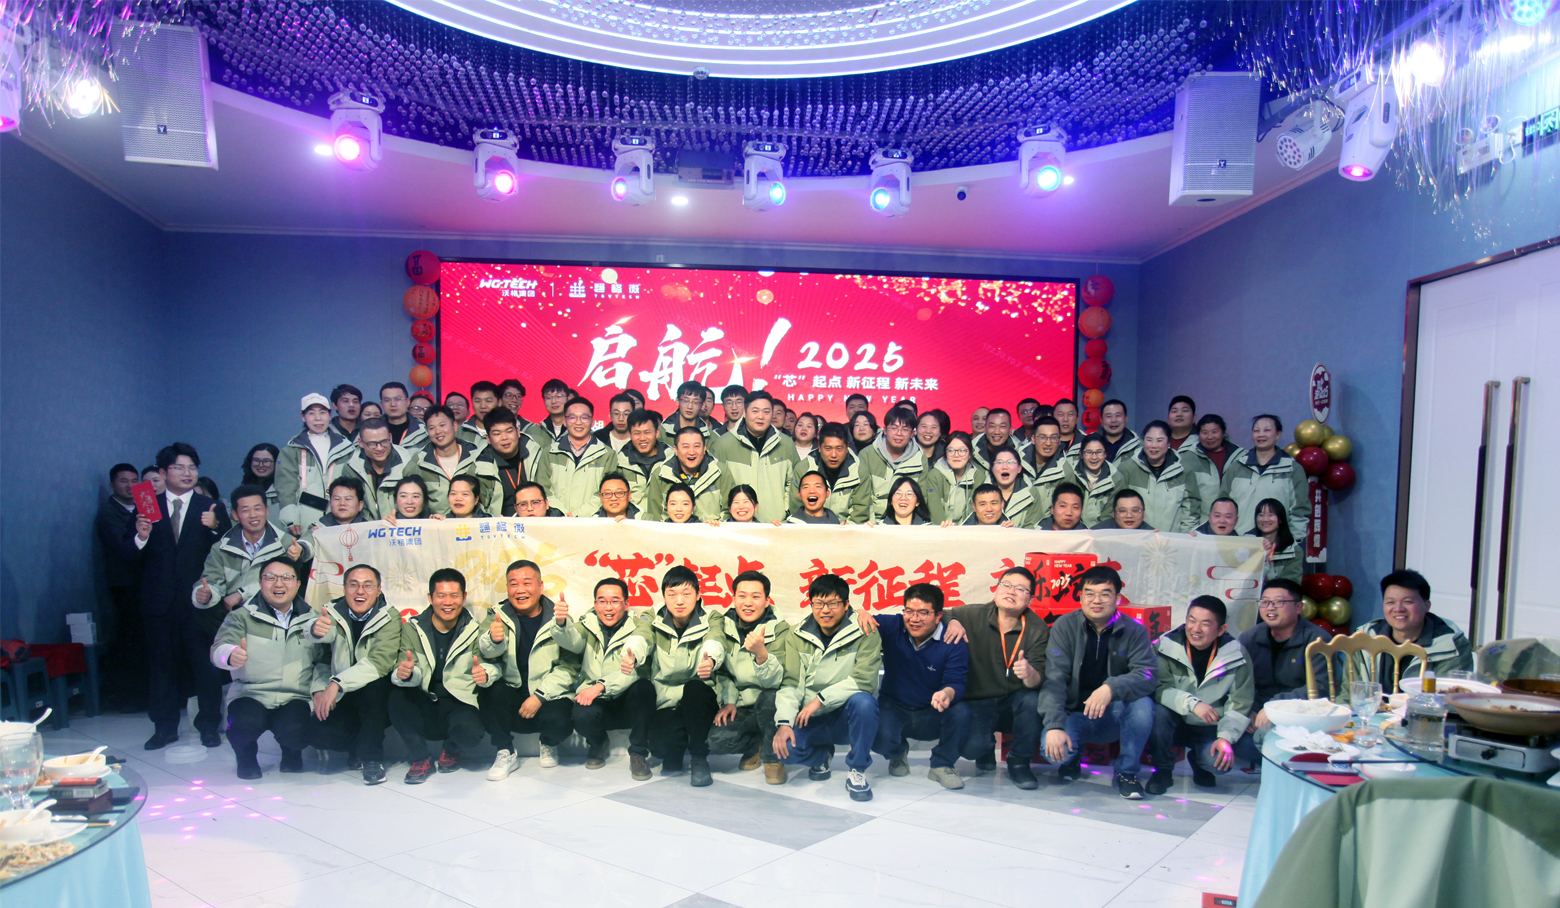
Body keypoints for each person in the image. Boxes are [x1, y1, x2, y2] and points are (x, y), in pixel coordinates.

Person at [123, 443, 230, 750]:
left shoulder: (210, 507)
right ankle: (164, 728)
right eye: (179, 468)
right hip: (158, 600)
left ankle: (209, 726)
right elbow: (127, 553)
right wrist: (141, 537)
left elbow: (228, 547)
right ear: (163, 472)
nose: (187, 473)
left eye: (192, 468)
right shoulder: (146, 504)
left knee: (205, 667)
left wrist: (215, 527)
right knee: (161, 667)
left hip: (199, 600)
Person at [1040, 566, 1158, 799]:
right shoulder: (1065, 626)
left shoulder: (1135, 630)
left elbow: (1148, 674)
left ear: (1118, 598)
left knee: (1142, 705)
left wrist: (1110, 688)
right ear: (1080, 596)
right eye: (1090, 593)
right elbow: (1054, 678)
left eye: (1105, 594)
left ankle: (1126, 773)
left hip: (1112, 715)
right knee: (1053, 754)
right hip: (1074, 713)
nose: (1096, 600)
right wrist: (1054, 725)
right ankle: (1073, 756)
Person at [773, 573, 883, 802]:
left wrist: (820, 699)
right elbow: (791, 682)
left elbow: (864, 680)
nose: (825, 610)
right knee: (784, 750)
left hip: (845, 716)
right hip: (810, 717)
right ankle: (822, 755)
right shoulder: (796, 634)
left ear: (846, 605)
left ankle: (857, 769)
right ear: (811, 604)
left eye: (833, 603)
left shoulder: (865, 630)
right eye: (818, 603)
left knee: (865, 702)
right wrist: (784, 722)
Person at [209, 556, 319, 779]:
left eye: (286, 577)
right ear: (260, 583)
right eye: (270, 577)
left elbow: (323, 661)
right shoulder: (240, 616)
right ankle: (246, 758)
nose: (279, 584)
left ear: (298, 584)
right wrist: (230, 654)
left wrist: (320, 690)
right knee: (241, 724)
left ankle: (291, 753)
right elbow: (218, 649)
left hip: (295, 695)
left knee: (298, 729)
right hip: (250, 693)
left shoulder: (313, 621)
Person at [938, 567, 1048, 788]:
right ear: (996, 589)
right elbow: (942, 612)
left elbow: (1039, 678)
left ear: (1030, 599)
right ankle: (985, 748)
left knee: (1033, 700)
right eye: (1006, 585)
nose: (1011, 591)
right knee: (971, 749)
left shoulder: (1038, 628)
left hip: (1015, 699)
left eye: (1020, 589)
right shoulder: (971, 615)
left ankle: (1019, 761)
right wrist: (953, 622)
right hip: (978, 699)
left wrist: (1029, 673)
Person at [389, 568, 500, 784]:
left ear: (464, 597)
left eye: (454, 595)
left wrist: (485, 674)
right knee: (396, 696)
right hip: (423, 698)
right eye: (441, 595)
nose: (447, 602)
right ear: (430, 598)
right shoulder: (411, 629)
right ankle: (420, 758)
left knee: (472, 731)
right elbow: (402, 666)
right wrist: (406, 674)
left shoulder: (474, 630)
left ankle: (451, 751)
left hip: (458, 701)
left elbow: (491, 665)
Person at [476, 561, 578, 780]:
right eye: (513, 584)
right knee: (489, 692)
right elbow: (485, 656)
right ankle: (505, 751)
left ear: (540, 586)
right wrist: (494, 641)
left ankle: (549, 743)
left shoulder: (559, 619)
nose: (520, 590)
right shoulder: (496, 616)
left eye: (527, 583)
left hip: (547, 695)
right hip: (511, 693)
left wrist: (539, 696)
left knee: (562, 719)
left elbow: (569, 667)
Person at [1145, 596, 1254, 794]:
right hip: (1174, 719)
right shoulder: (1165, 646)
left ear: (1221, 630)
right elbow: (1158, 688)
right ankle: (1162, 771)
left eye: (1205, 624)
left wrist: (1225, 738)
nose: (1195, 629)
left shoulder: (1236, 655)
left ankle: (1199, 761)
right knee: (1156, 712)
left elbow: (1240, 702)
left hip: (1209, 725)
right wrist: (1192, 704)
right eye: (1192, 620)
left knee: (1219, 763)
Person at [630, 565, 727, 786]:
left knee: (695, 688)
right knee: (662, 748)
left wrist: (711, 659)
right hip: (665, 699)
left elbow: (715, 638)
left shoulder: (711, 617)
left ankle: (699, 758)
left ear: (698, 595)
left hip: (698, 699)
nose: (679, 601)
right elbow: (642, 635)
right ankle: (673, 749)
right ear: (664, 596)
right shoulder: (652, 616)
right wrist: (633, 654)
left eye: (686, 593)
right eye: (672, 594)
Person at [307, 563, 401, 785]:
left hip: (374, 695)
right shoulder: (330, 613)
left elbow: (379, 663)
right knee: (315, 733)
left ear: (378, 590)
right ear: (344, 588)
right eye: (354, 585)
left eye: (368, 586)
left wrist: (337, 684)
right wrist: (319, 690)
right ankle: (356, 748)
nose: (360, 591)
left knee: (375, 687)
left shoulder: (389, 616)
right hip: (341, 694)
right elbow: (322, 659)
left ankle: (371, 758)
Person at [870, 584, 970, 789]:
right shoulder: (893, 625)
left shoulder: (952, 639)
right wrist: (861, 613)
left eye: (923, 613)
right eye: (909, 611)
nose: (914, 619)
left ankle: (942, 764)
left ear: (938, 615)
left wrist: (946, 693)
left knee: (962, 712)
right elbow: (856, 619)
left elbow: (956, 681)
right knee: (874, 731)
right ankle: (897, 752)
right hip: (894, 706)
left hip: (932, 709)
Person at [556, 578, 655, 779]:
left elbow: (639, 666)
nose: (608, 608)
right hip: (598, 701)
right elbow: (571, 641)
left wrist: (601, 685)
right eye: (602, 601)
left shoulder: (639, 626)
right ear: (595, 604)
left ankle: (638, 753)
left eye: (615, 601)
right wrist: (560, 624)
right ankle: (598, 743)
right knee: (581, 713)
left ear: (626, 604)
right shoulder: (585, 625)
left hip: (627, 702)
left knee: (644, 688)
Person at [1235, 579, 1332, 768]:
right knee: (1237, 742)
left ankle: (1288, 769)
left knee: (1271, 740)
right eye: (1265, 602)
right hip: (1259, 713)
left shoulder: (1317, 640)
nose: (1270, 608)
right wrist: (1249, 710)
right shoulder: (1249, 638)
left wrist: (1274, 708)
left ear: (1298, 607)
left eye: (1278, 602)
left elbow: (1320, 688)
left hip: (1300, 715)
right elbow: (1238, 683)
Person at [708, 571, 792, 782]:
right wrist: (729, 701)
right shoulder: (723, 627)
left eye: (755, 597)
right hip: (742, 704)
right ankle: (756, 743)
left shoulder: (782, 631)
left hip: (772, 704)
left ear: (767, 601)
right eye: (742, 596)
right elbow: (724, 673)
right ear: (733, 599)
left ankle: (772, 758)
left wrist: (761, 655)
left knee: (770, 697)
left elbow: (779, 681)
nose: (748, 603)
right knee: (716, 742)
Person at [195, 484, 308, 614]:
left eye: (257, 509)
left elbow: (284, 584)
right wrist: (207, 594)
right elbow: (210, 581)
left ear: (266, 510)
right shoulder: (221, 548)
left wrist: (241, 594)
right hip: (233, 612)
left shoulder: (286, 544)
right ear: (235, 515)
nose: (253, 515)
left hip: (273, 610)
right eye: (245, 510)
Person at [1353, 569, 1474, 688]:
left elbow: (1448, 696)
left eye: (1408, 602)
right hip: (1372, 702)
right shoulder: (1365, 638)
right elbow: (1348, 692)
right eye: (1390, 602)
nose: (1398, 609)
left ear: (1427, 606)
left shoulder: (1451, 644)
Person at [98, 463, 147, 712]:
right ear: (112, 485)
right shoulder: (108, 512)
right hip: (125, 583)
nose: (130, 486)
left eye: (134, 481)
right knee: (129, 637)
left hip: (147, 581)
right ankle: (128, 698)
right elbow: (123, 548)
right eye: (123, 481)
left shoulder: (145, 505)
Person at [713, 389, 799, 523]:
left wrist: (786, 512)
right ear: (744, 412)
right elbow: (716, 487)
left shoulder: (786, 443)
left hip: (776, 524)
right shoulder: (723, 444)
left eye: (766, 412)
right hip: (736, 525)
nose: (761, 416)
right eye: (755, 411)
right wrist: (725, 519)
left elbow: (794, 483)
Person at [275, 393, 354, 536]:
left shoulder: (346, 448)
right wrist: (290, 519)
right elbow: (285, 488)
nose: (318, 418)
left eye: (322, 412)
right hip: (304, 518)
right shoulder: (291, 451)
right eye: (311, 413)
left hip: (341, 517)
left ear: (330, 415)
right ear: (303, 417)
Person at [1221, 414, 1308, 542]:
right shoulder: (1237, 467)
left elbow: (1300, 510)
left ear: (1278, 434)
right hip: (1239, 541)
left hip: (1277, 543)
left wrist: (1292, 542)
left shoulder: (1292, 469)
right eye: (1256, 431)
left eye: (1267, 430)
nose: (1261, 434)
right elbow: (1222, 505)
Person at [406, 405, 503, 516]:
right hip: (438, 525)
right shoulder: (419, 462)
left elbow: (494, 494)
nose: (438, 431)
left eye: (442, 425)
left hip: (476, 524)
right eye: (431, 428)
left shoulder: (478, 456)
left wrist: (493, 521)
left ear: (455, 426)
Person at [858, 405, 945, 522]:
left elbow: (921, 496)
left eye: (905, 429)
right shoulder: (867, 455)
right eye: (894, 428)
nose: (899, 433)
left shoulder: (920, 458)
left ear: (912, 433)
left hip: (907, 522)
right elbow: (863, 497)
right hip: (874, 522)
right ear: (885, 430)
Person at [1114, 421, 1202, 532]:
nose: (1153, 445)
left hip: (1171, 538)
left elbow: (1190, 510)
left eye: (1159, 440)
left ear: (1169, 443)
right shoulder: (1127, 468)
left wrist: (1184, 537)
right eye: (1149, 440)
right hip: (1136, 537)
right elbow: (1117, 507)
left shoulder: (1184, 470)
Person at [541, 397, 620, 516]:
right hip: (556, 519)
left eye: (584, 417)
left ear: (592, 422)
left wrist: (579, 514)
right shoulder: (549, 452)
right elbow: (543, 489)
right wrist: (561, 513)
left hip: (592, 520)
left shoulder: (607, 454)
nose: (578, 422)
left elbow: (607, 492)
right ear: (564, 421)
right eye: (572, 417)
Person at [646, 426, 732, 521]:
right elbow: (654, 516)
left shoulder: (720, 471)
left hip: (712, 529)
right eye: (685, 447)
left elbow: (729, 512)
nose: (691, 452)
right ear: (676, 450)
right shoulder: (661, 474)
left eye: (697, 446)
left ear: (704, 448)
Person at [790, 423, 870, 523]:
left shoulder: (859, 470)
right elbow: (796, 506)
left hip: (846, 528)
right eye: (828, 448)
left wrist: (847, 528)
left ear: (847, 447)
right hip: (810, 526)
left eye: (839, 449)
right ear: (819, 447)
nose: (833, 455)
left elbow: (860, 511)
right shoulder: (803, 468)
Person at [333, 418, 407, 520]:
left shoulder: (407, 463)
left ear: (390, 438)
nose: (379, 448)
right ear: (361, 443)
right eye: (372, 444)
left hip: (401, 525)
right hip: (365, 526)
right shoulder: (352, 468)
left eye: (384, 441)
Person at [1179, 414, 1246, 523]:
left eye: (1215, 432)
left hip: (1235, 524)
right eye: (1205, 433)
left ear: (1223, 433)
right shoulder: (1188, 458)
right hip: (1202, 524)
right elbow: (1187, 498)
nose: (1210, 437)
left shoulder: (1241, 458)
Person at [481, 407, 544, 517]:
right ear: (488, 439)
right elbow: (480, 508)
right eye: (497, 434)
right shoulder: (481, 466)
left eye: (509, 431)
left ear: (518, 432)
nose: (504, 438)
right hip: (500, 523)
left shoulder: (537, 453)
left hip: (536, 519)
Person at [928, 431, 987, 526]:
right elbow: (934, 510)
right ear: (945, 453)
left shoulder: (978, 476)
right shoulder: (934, 475)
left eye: (962, 450)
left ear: (970, 454)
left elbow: (974, 510)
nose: (956, 455)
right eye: (951, 450)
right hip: (941, 528)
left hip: (968, 529)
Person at [617, 408, 669, 514]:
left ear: (657, 433)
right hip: (631, 520)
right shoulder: (619, 462)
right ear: (629, 434)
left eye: (647, 432)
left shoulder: (672, 460)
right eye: (637, 433)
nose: (642, 438)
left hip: (664, 521)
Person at [1066, 436, 1119, 527]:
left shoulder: (1116, 479)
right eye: (1089, 452)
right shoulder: (1070, 474)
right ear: (1081, 454)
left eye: (1099, 452)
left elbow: (1109, 516)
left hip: (1102, 531)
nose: (1094, 457)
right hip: (1073, 529)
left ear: (1105, 454)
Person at [659, 380, 722, 446]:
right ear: (677, 401)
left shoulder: (710, 437)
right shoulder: (662, 432)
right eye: (685, 401)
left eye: (695, 402)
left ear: (702, 405)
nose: (690, 406)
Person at [1027, 415, 1069, 512]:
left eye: (1053, 438)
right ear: (1033, 439)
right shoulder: (1017, 462)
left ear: (1059, 440)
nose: (1048, 443)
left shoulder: (1065, 471)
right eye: (1042, 437)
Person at [1255, 499, 1302, 584]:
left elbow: (1291, 584)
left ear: (1280, 519)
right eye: (1261, 515)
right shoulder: (1247, 544)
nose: (1265, 519)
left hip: (1277, 592)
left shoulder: (1293, 550)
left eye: (1271, 515)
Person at [989, 450, 1041, 526]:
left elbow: (1034, 527)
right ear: (992, 469)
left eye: (1010, 462)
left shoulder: (1031, 493)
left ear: (1019, 468)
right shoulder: (981, 493)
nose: (1004, 467)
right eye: (999, 462)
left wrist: (1014, 531)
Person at [972, 407, 1029, 474]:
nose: (997, 432)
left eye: (1002, 426)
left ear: (1010, 429)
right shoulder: (971, 450)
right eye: (992, 426)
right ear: (985, 428)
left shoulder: (1021, 454)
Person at [1092, 399, 1141, 464]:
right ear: (1101, 420)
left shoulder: (1139, 446)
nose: (1113, 420)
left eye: (1118, 415)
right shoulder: (1088, 443)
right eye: (1108, 416)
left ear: (1126, 419)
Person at [379, 382, 422, 446]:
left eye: (398, 399)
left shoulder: (422, 430)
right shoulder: (372, 429)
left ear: (407, 402)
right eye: (387, 400)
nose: (393, 404)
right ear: (382, 404)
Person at [239, 443, 280, 508]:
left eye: (266, 461)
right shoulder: (242, 490)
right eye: (256, 460)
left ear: (276, 463)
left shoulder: (286, 489)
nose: (261, 465)